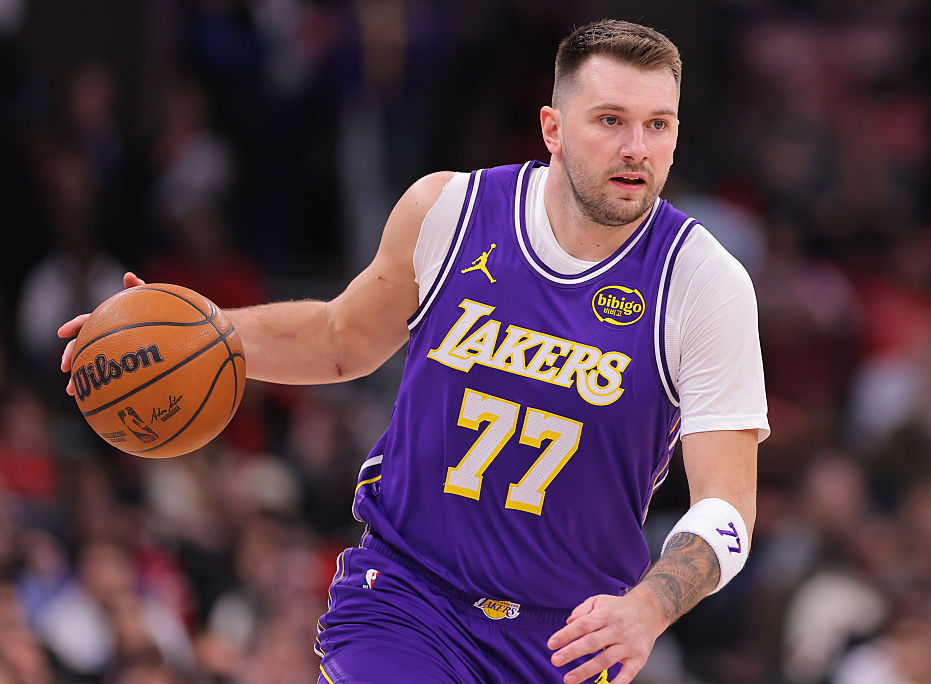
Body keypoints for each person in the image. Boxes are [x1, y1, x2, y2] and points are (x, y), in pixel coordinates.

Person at [59, 19, 768, 684]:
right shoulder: (450, 213)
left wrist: (651, 606)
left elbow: (728, 507)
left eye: (658, 125)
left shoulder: (703, 285)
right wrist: (195, 334)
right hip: (409, 598)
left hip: (572, 634)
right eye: (611, 120)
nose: (636, 148)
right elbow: (341, 340)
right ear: (552, 128)